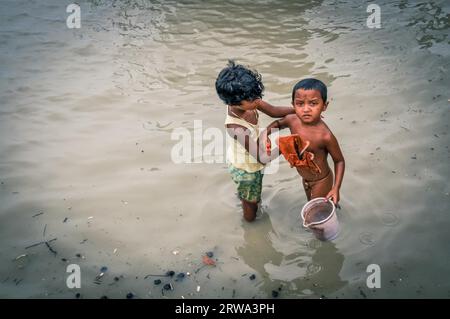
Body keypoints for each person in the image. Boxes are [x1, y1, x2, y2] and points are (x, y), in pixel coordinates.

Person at [215, 60, 294, 222]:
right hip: (246, 168)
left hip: (249, 156)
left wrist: (299, 110)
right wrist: (286, 145)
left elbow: (274, 111)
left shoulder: (249, 99)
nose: (257, 100)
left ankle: (244, 194)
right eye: (253, 100)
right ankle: (250, 224)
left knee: (250, 192)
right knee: (251, 202)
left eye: (257, 96)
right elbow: (262, 158)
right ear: (233, 103)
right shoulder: (235, 127)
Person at [265, 78, 345, 205]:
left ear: (324, 106)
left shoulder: (325, 136)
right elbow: (278, 123)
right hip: (306, 179)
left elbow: (339, 161)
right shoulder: (292, 120)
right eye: (300, 104)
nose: (306, 109)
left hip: (321, 181)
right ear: (293, 105)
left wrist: (336, 188)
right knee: (312, 207)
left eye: (313, 104)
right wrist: (266, 134)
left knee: (316, 215)